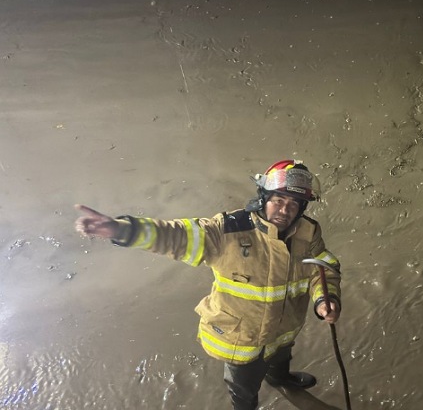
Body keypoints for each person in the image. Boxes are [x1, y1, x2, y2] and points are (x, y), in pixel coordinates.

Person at [74, 160, 342, 410]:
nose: (284, 210)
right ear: (263, 197)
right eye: (278, 200)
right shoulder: (226, 231)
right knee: (244, 390)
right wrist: (123, 229)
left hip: (283, 331)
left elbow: (322, 268)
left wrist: (325, 299)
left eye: (294, 204)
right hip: (243, 341)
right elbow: (174, 236)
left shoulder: (308, 232)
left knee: (280, 358)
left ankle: (280, 379)